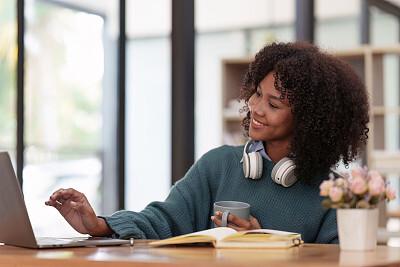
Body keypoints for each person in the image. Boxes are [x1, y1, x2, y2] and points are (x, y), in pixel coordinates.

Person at [46, 42, 370, 244]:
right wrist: (100, 225)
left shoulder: (333, 193)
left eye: (273, 105)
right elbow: (164, 220)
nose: (255, 108)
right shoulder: (218, 165)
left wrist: (262, 245)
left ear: (309, 120)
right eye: (257, 93)